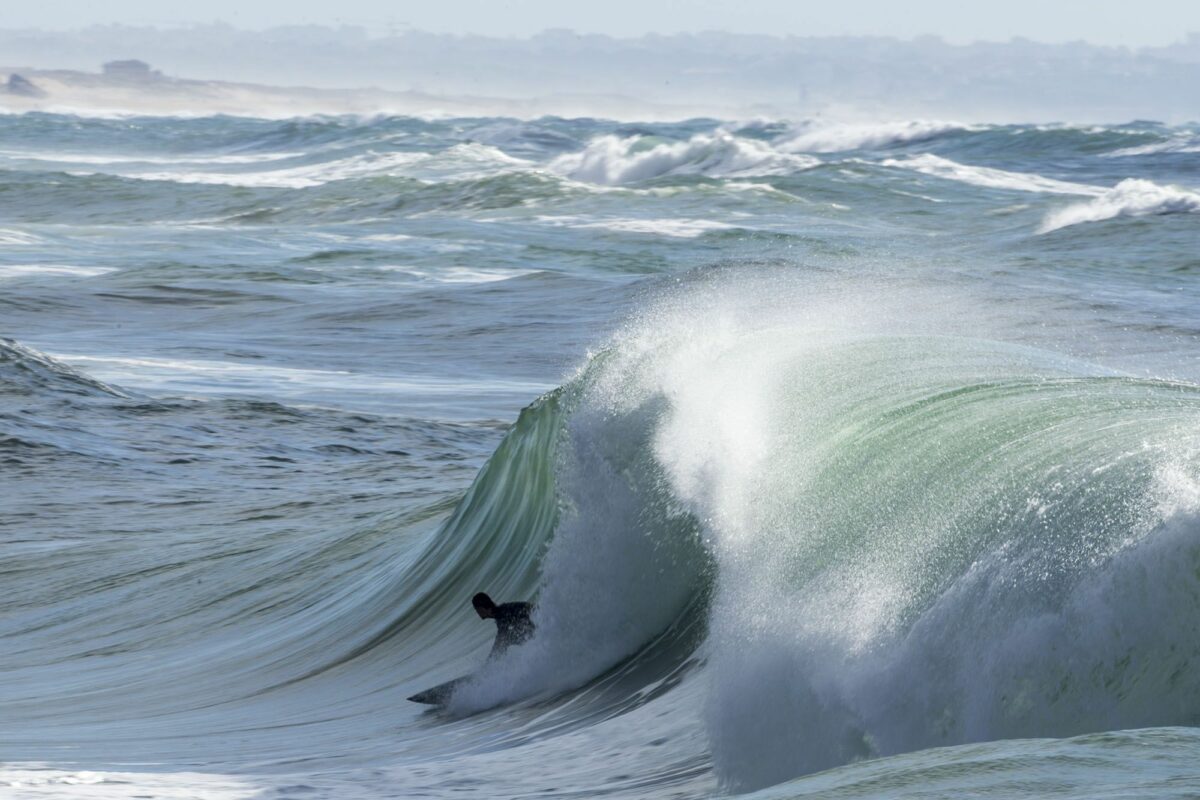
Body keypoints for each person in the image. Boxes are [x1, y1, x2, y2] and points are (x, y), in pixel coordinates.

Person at [472, 592, 534, 657]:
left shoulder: (501, 613)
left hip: (533, 620)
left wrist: (492, 657)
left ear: (481, 609)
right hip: (533, 620)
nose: (477, 612)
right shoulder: (500, 612)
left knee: (508, 638)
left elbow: (501, 637)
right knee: (510, 637)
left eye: (476, 609)